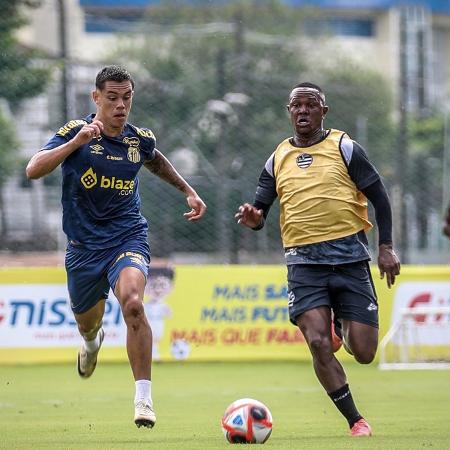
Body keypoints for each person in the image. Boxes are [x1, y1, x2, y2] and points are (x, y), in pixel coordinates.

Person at [25, 65, 206, 429]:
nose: (121, 105)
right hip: (82, 249)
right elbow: (33, 170)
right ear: (96, 98)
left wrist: (188, 190)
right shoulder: (74, 132)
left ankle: (143, 399)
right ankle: (92, 343)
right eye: (112, 98)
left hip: (127, 237)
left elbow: (155, 160)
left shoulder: (138, 139)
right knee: (87, 326)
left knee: (134, 304)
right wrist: (75, 143)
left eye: (127, 98)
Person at [235, 82, 400, 437]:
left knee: (365, 351)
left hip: (350, 259)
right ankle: (356, 420)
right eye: (297, 105)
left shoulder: (345, 147)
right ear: (289, 111)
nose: (304, 111)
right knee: (317, 342)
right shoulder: (277, 158)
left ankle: (341, 322)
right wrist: (254, 218)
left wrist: (386, 247)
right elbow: (260, 210)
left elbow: (380, 198)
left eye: (312, 105)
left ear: (324, 111)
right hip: (304, 264)